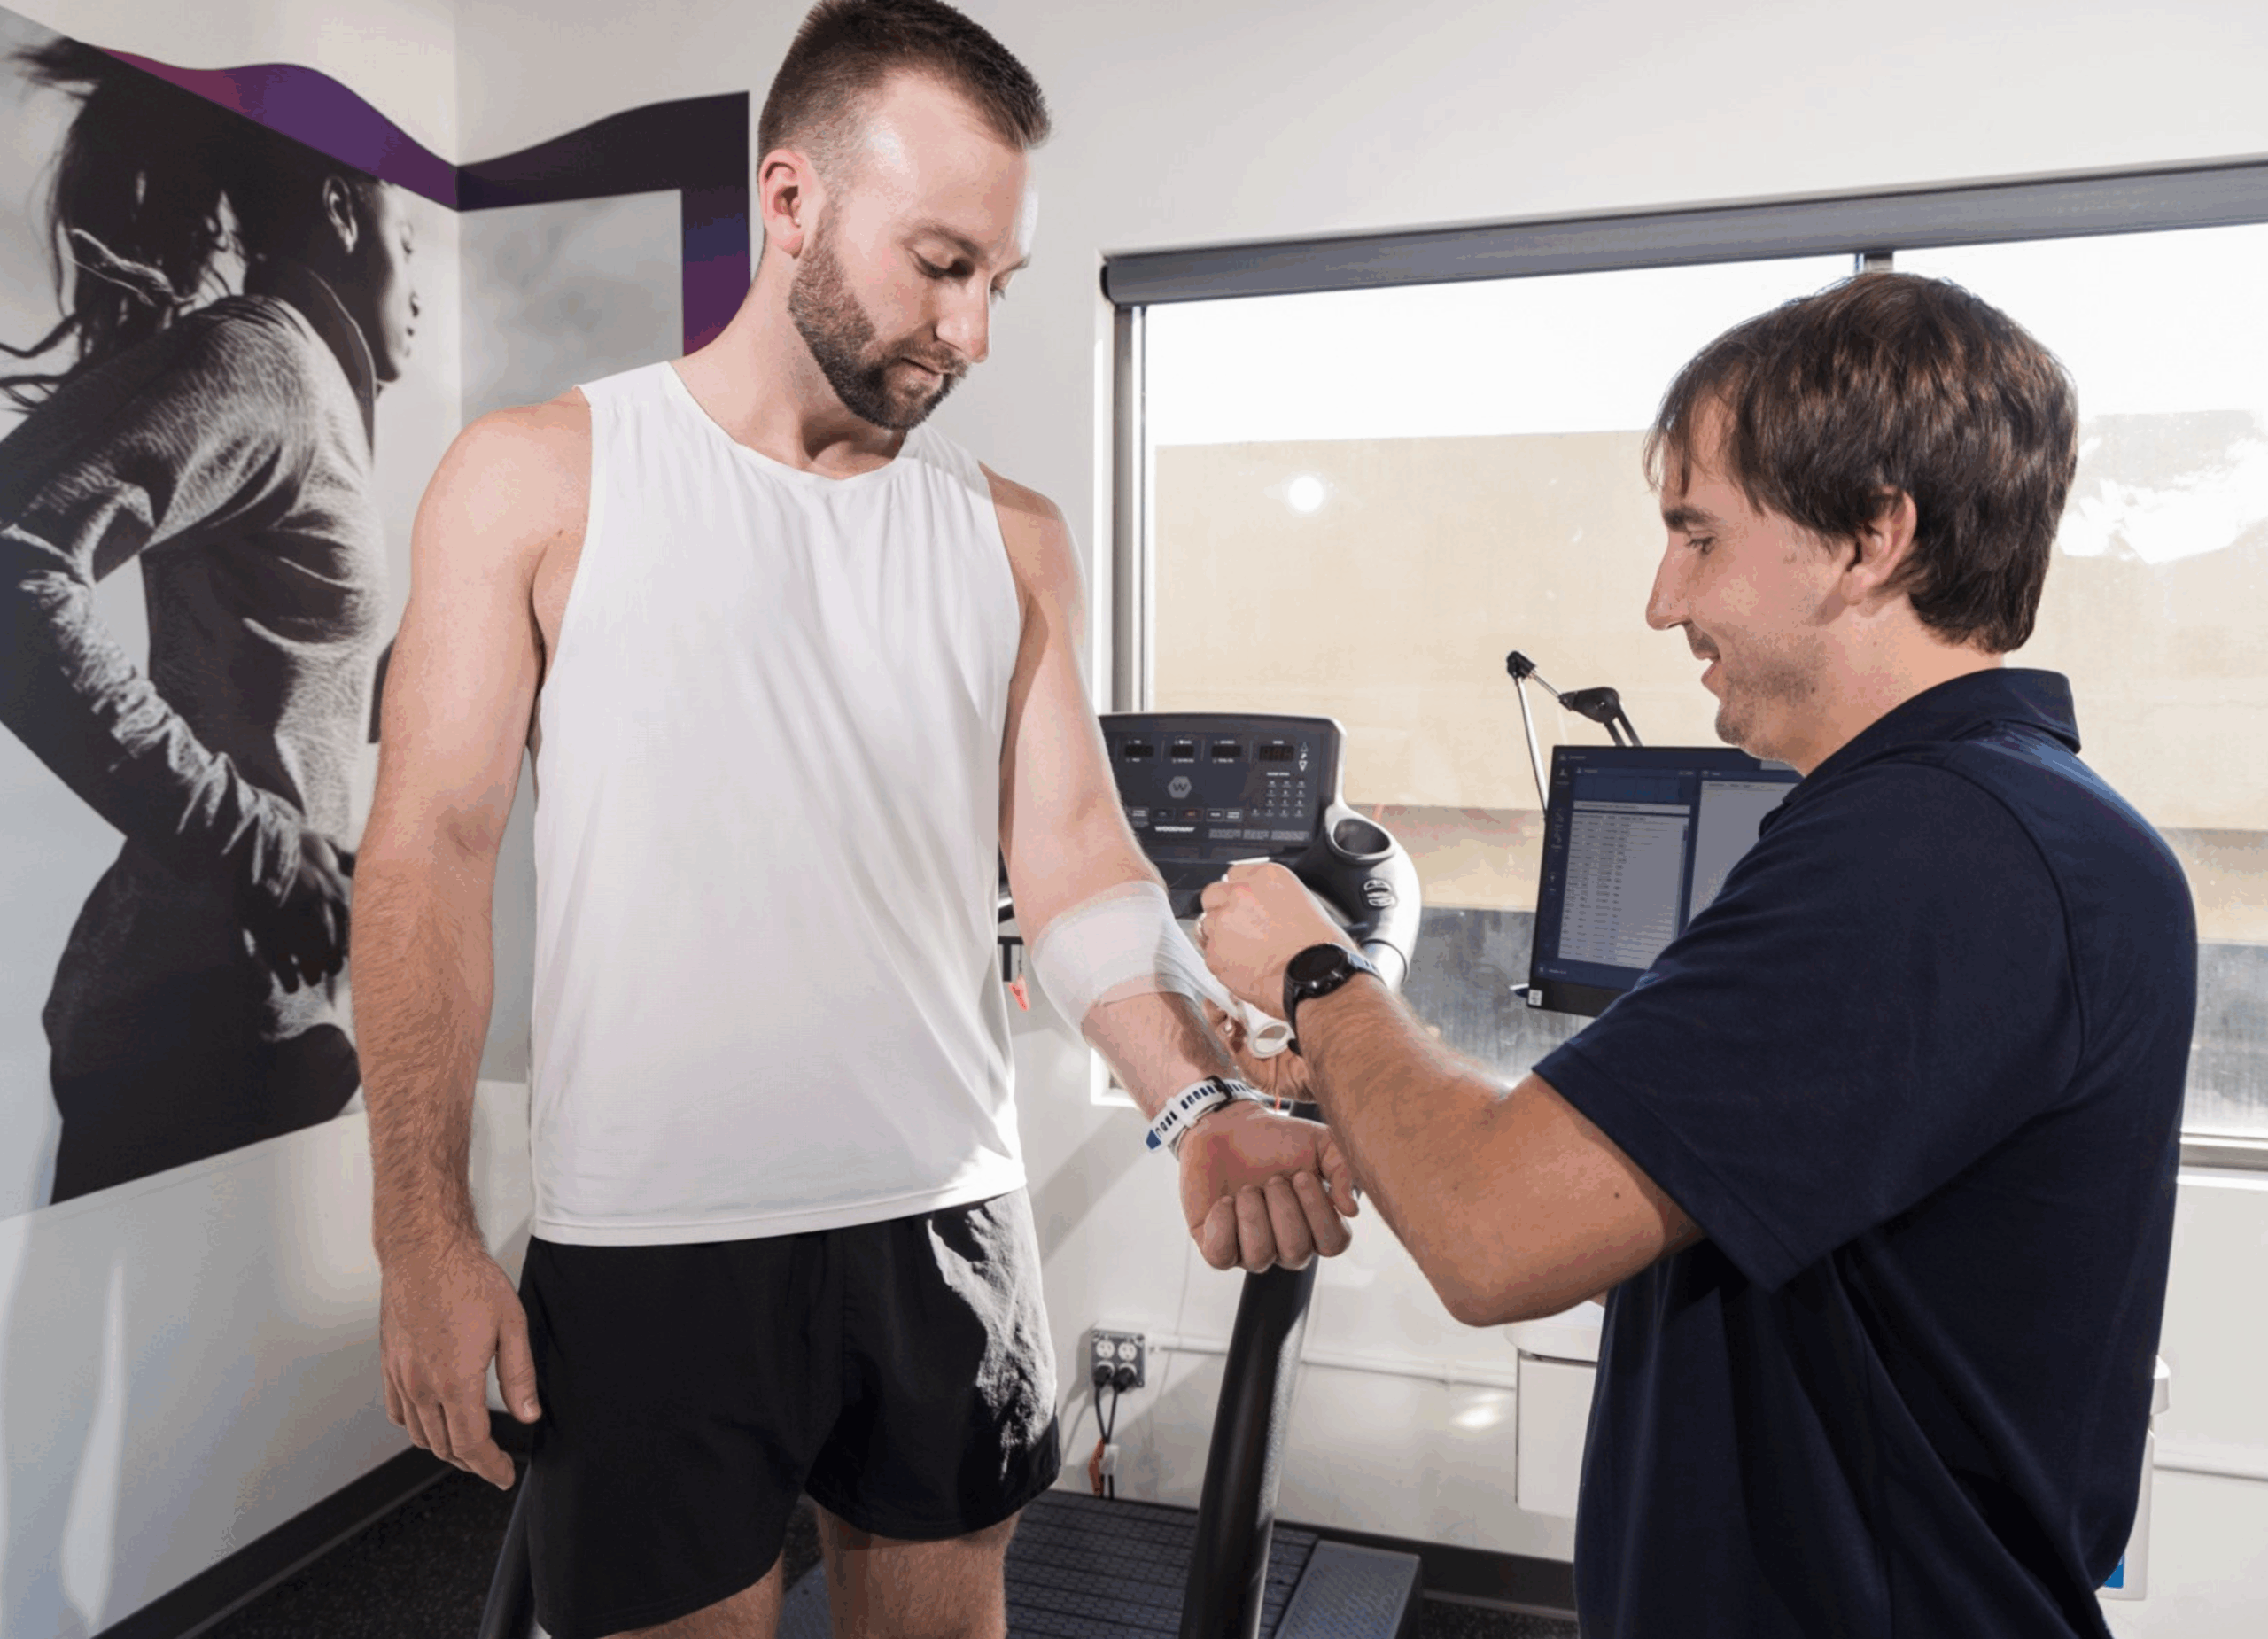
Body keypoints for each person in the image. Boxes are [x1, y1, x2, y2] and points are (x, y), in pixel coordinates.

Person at [353, 4, 1355, 1637]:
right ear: (792, 200)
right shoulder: (538, 479)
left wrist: (1193, 1104)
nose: (970, 330)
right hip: (654, 1233)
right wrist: (422, 1227)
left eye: (1000, 282)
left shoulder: (1013, 537)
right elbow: (426, 858)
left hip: (942, 1215)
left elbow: (1083, 871)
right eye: (940, 262)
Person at [1197, 272, 2196, 1638]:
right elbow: (1670, 1152)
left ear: (1871, 538)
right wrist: (1347, 1081)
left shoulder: (1934, 850)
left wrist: (1322, 976)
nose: (1664, 600)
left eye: (1699, 536)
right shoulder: (2014, 819)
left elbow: (1495, 1235)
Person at [0, 41, 420, 1203]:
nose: (422, 282)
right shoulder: (260, 369)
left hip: (250, 1016)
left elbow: (283, 678)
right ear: (341, 210)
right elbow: (13, 571)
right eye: (411, 237)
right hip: (193, 1030)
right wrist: (255, 845)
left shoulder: (310, 396)